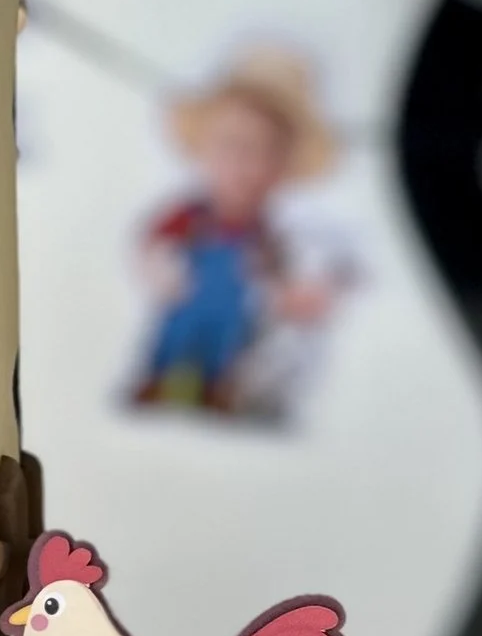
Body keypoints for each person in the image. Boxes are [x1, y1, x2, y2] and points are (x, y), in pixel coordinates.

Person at [130, 46, 343, 421]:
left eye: (263, 152)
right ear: (205, 150)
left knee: (229, 349)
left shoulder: (269, 233)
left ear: (282, 167)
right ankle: (157, 385)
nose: (245, 166)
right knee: (174, 343)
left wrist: (289, 291)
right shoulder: (192, 214)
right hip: (187, 302)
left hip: (235, 316)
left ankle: (217, 392)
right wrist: (161, 268)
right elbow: (154, 244)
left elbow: (281, 274)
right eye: (232, 147)